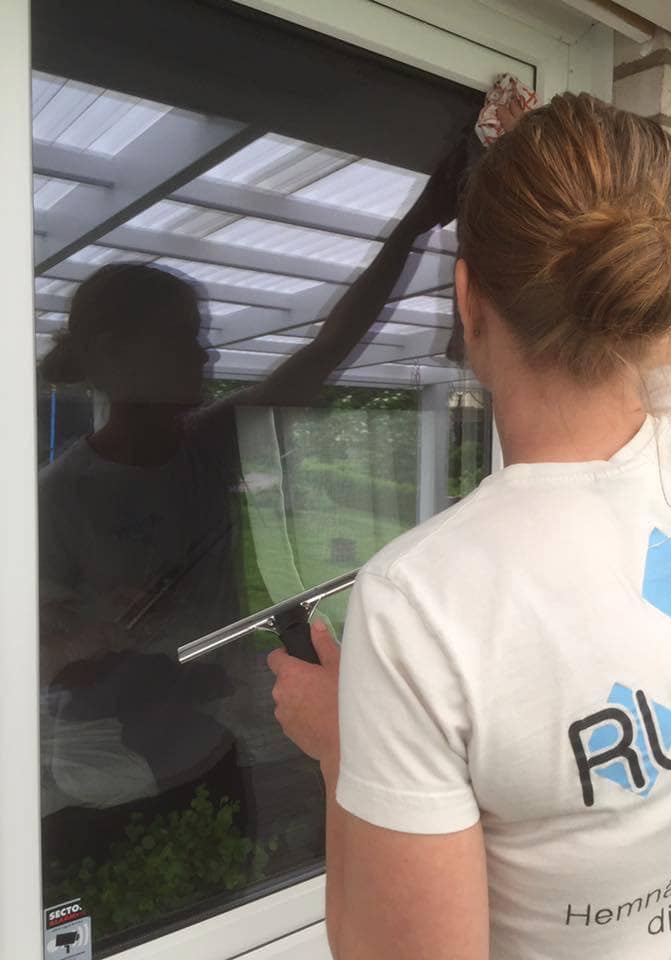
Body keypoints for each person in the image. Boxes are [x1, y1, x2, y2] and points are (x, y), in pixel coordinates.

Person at [268, 91, 671, 960]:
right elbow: (649, 365)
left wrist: (341, 746)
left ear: (466, 300)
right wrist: (565, 186)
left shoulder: (425, 602)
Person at [37, 136, 469, 867]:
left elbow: (326, 352)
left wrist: (415, 226)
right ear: (116, 355)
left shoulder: (204, 446)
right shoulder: (56, 500)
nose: (205, 355)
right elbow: (36, 660)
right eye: (184, 339)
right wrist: (97, 636)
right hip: (103, 790)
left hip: (209, 755)